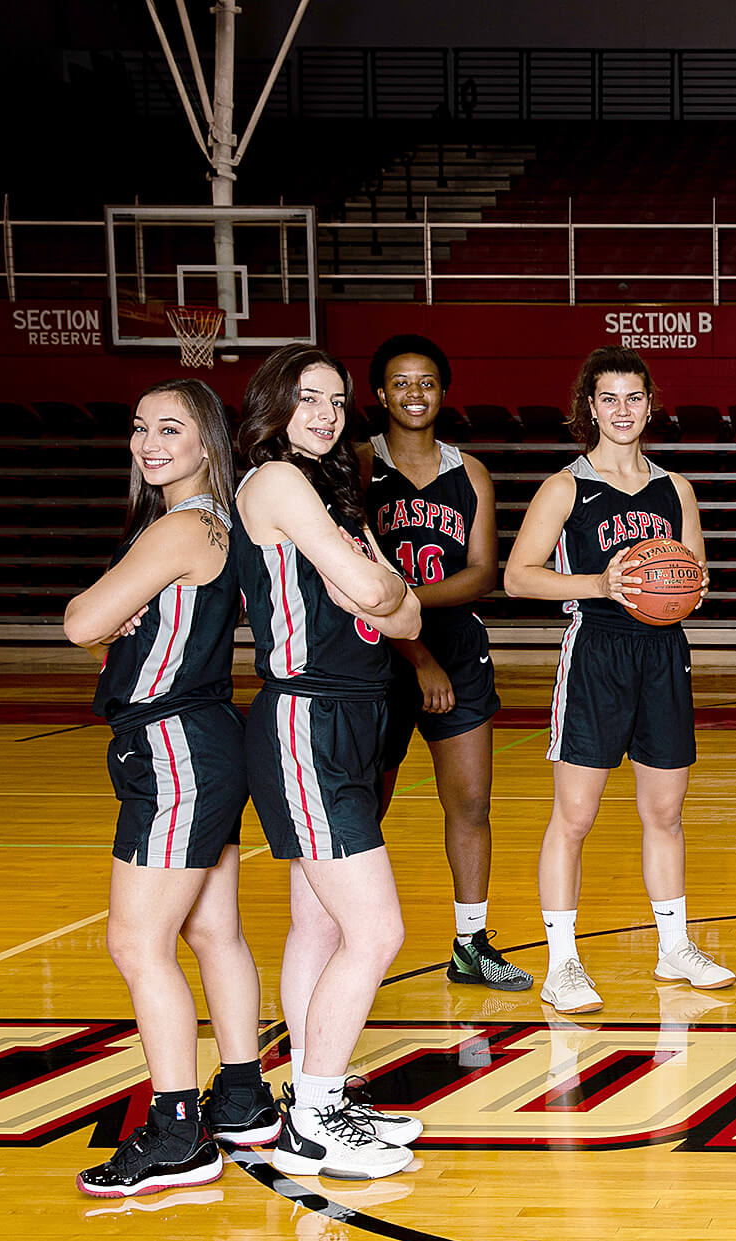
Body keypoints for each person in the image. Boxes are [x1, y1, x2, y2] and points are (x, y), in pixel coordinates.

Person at [64, 378, 274, 1197]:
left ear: (207, 443)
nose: (150, 441)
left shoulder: (182, 526)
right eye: (141, 425)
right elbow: (114, 627)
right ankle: (244, 1096)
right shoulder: (202, 522)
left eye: (171, 428)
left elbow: (82, 622)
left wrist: (105, 607)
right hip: (203, 736)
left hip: (175, 744)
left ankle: (179, 1131)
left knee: (135, 940)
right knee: (212, 929)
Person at [233, 345, 426, 1180]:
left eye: (338, 403)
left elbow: (409, 615)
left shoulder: (330, 491)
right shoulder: (275, 480)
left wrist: (370, 585)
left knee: (319, 923)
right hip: (307, 716)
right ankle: (312, 1116)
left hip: (350, 716)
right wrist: (369, 583)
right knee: (378, 928)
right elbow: (375, 588)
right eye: (307, 398)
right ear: (273, 404)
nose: (325, 414)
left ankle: (322, 1092)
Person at [504, 345, 734, 1014]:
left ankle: (673, 946)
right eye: (610, 398)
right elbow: (519, 576)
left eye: (634, 397)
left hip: (664, 653)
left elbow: (694, 575)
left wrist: (690, 584)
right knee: (574, 815)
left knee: (665, 811)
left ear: (650, 404)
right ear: (590, 408)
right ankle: (563, 961)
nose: (624, 410)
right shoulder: (566, 486)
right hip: (597, 651)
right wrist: (600, 584)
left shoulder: (675, 488)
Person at [363, 334, 526, 992]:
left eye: (426, 381)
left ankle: (470, 941)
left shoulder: (471, 473)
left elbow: (483, 572)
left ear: (443, 390)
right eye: (399, 382)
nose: (413, 393)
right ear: (379, 394)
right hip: (372, 653)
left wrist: (402, 601)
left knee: (471, 803)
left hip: (455, 645)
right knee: (363, 805)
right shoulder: (356, 467)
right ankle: (353, 934)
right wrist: (401, 626)